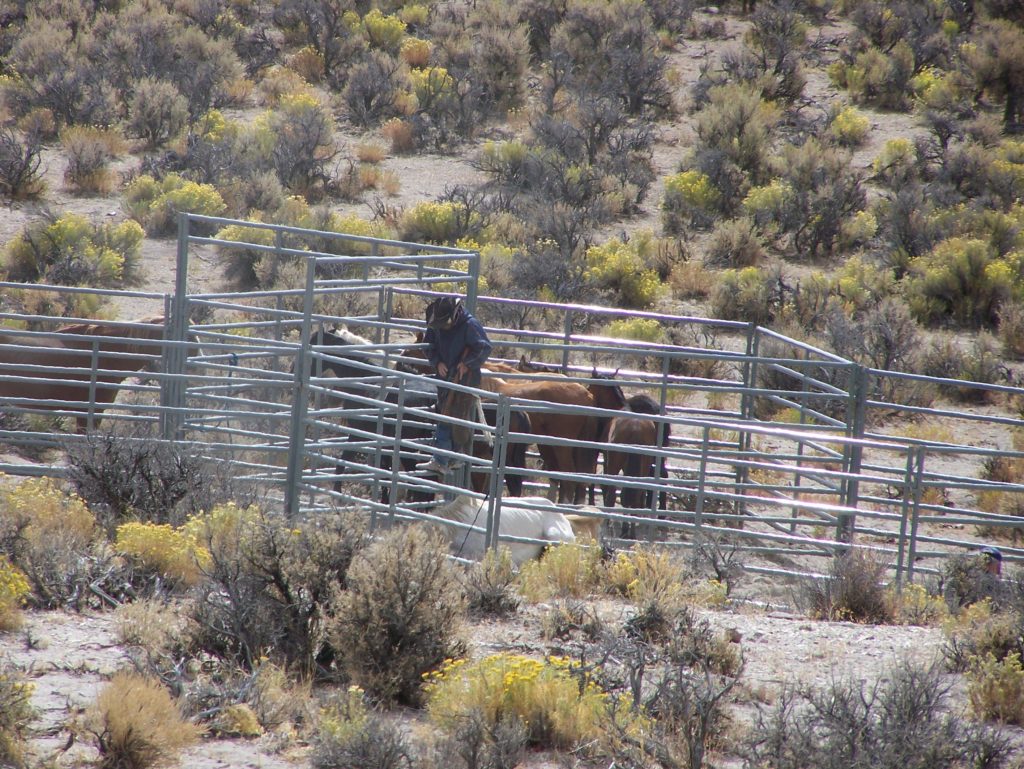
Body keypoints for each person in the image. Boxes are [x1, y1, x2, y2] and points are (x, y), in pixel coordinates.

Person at [415, 295, 492, 475]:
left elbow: (484, 347)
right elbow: (428, 344)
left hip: (465, 379)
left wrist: (467, 363)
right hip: (445, 377)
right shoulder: (437, 323)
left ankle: (443, 458)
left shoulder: (470, 325)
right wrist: (437, 362)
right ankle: (453, 457)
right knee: (447, 414)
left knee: (451, 417)